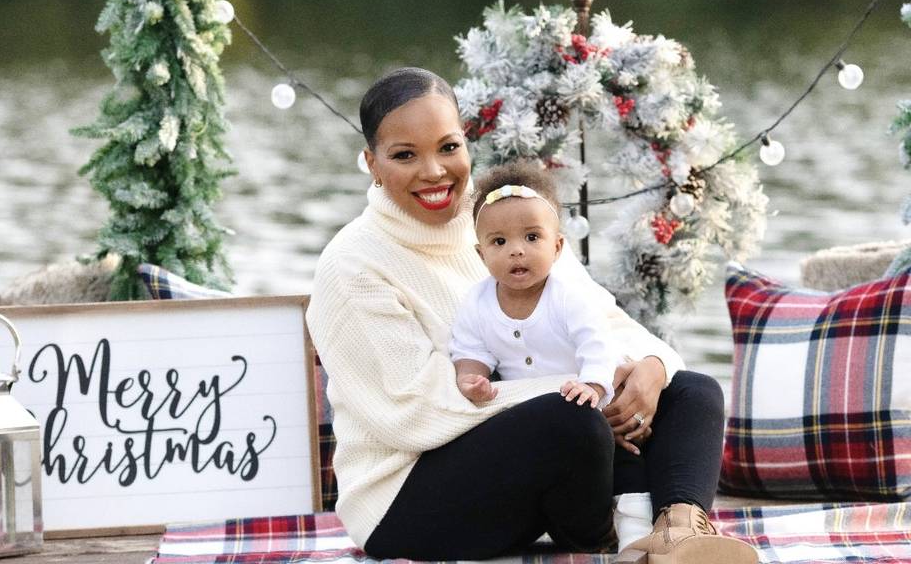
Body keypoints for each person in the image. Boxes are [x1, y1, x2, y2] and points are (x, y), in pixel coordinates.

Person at [305, 66, 758, 564]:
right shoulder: (352, 264)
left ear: (467, 142)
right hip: (406, 502)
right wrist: (584, 384)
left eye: (448, 147)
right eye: (405, 155)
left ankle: (678, 532)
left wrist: (647, 368)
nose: (434, 171)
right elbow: (415, 411)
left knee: (692, 390)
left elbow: (604, 323)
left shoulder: (509, 219)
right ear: (372, 162)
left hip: (533, 460)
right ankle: (604, 533)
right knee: (573, 419)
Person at [449, 160, 651, 552]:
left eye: (531, 237)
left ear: (557, 246)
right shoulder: (475, 304)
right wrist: (470, 378)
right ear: (480, 253)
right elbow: (469, 350)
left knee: (628, 464)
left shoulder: (568, 296)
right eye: (499, 242)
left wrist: (593, 384)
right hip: (541, 427)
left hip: (591, 410)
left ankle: (636, 537)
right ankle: (583, 528)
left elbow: (598, 345)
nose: (517, 251)